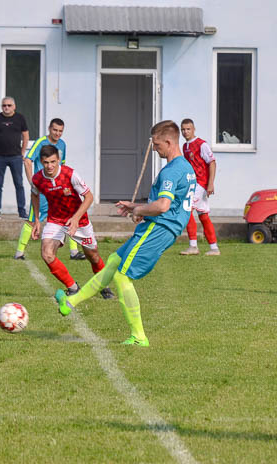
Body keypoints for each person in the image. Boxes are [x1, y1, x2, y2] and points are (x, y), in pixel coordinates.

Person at [55, 120, 196, 347]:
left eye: (157, 145)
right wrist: (136, 207)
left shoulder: (172, 170)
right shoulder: (186, 168)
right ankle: (71, 302)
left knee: (122, 276)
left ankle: (139, 336)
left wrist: (140, 210)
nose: (154, 149)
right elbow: (171, 203)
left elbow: (162, 206)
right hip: (160, 226)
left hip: (159, 228)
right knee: (113, 262)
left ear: (169, 142)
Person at [30, 145, 114, 299]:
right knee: (47, 254)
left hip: (79, 219)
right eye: (46, 162)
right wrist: (36, 219)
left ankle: (104, 286)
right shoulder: (37, 179)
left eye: (53, 162)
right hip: (56, 220)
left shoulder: (70, 174)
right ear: (41, 161)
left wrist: (75, 218)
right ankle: (73, 287)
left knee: (93, 255)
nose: (50, 166)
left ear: (59, 160)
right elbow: (34, 194)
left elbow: (89, 197)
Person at [15, 118, 85, 261]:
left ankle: (74, 252)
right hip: (43, 190)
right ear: (49, 129)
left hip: (58, 189)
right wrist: (32, 183)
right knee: (33, 220)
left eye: (60, 131)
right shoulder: (41, 143)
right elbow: (28, 161)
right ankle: (19, 253)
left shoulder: (62, 145)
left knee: (69, 215)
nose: (57, 133)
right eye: (55, 130)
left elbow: (62, 166)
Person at [179, 119, 220, 256]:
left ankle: (193, 246)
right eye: (183, 129)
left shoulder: (202, 145)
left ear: (194, 129)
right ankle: (214, 248)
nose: (185, 132)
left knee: (187, 209)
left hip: (200, 184)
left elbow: (212, 163)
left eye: (188, 129)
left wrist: (210, 183)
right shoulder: (185, 146)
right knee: (203, 215)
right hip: (192, 183)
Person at [0, 96, 29, 220]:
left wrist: (22, 152)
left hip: (16, 157)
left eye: (9, 105)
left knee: (19, 184)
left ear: (14, 106)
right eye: (4, 105)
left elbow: (25, 136)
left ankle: (22, 211)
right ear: (1, 107)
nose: (6, 107)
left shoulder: (20, 118)